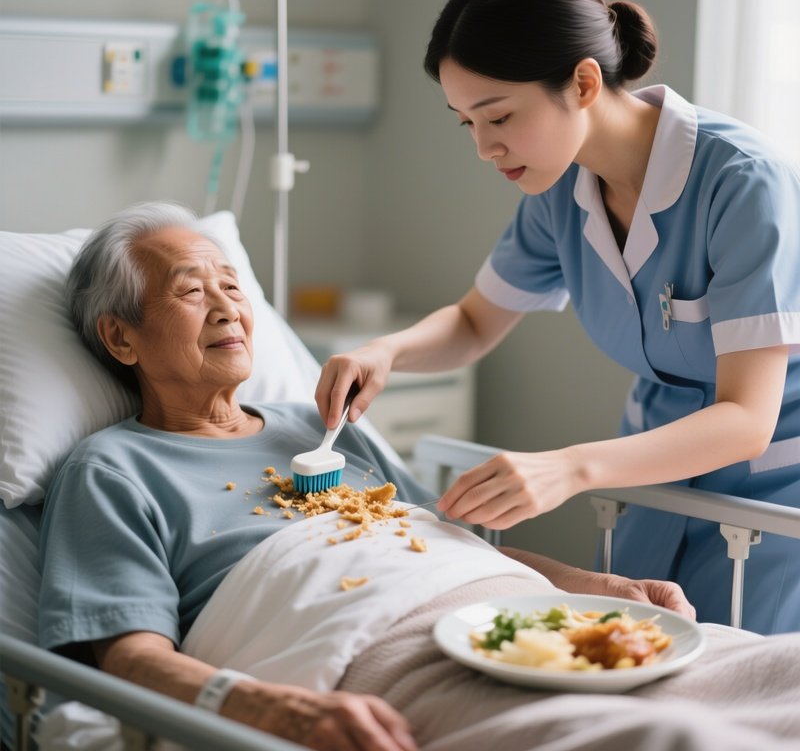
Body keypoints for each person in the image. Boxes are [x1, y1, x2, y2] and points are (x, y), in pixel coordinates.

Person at [39, 202, 709, 751]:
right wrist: (277, 712)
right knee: (663, 735)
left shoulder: (321, 425)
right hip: (380, 650)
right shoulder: (113, 469)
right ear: (122, 339)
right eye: (190, 290)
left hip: (507, 613)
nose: (225, 307)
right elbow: (128, 658)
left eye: (232, 285)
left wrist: (603, 588)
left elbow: (442, 544)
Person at [314, 0, 800, 636]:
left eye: (500, 116)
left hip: (775, 490)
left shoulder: (743, 184)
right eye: (467, 123)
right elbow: (474, 323)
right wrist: (386, 352)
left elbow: (747, 417)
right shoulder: (561, 190)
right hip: (657, 473)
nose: (485, 147)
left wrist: (569, 468)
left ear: (582, 81)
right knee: (642, 659)